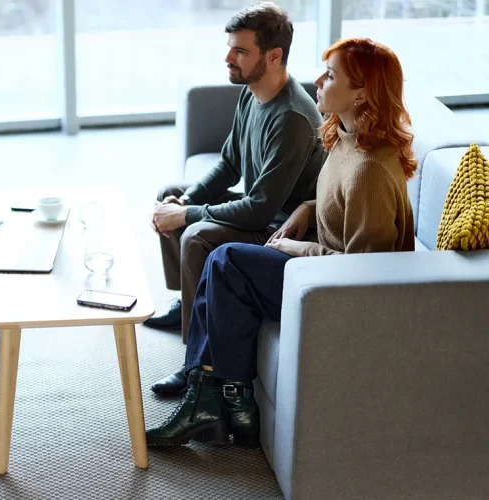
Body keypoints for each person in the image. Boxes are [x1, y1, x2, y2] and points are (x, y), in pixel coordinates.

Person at [145, 37, 416, 447]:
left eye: (331, 75)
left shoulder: (371, 170)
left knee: (226, 262)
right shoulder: (347, 137)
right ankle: (224, 400)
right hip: (321, 272)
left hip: (339, 293)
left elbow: (363, 272)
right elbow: (339, 196)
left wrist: (296, 248)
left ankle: (218, 401)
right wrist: (307, 207)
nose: (318, 80)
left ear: (362, 92)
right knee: (224, 269)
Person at [147, 2, 326, 397]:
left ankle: (195, 363)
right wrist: (184, 202)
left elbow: (261, 208)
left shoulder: (293, 118)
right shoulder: (252, 93)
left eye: (241, 51)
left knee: (197, 234)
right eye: (231, 48)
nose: (228, 58)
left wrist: (187, 216)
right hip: (261, 208)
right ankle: (187, 302)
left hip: (280, 228)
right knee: (170, 195)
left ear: (274, 56)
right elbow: (229, 163)